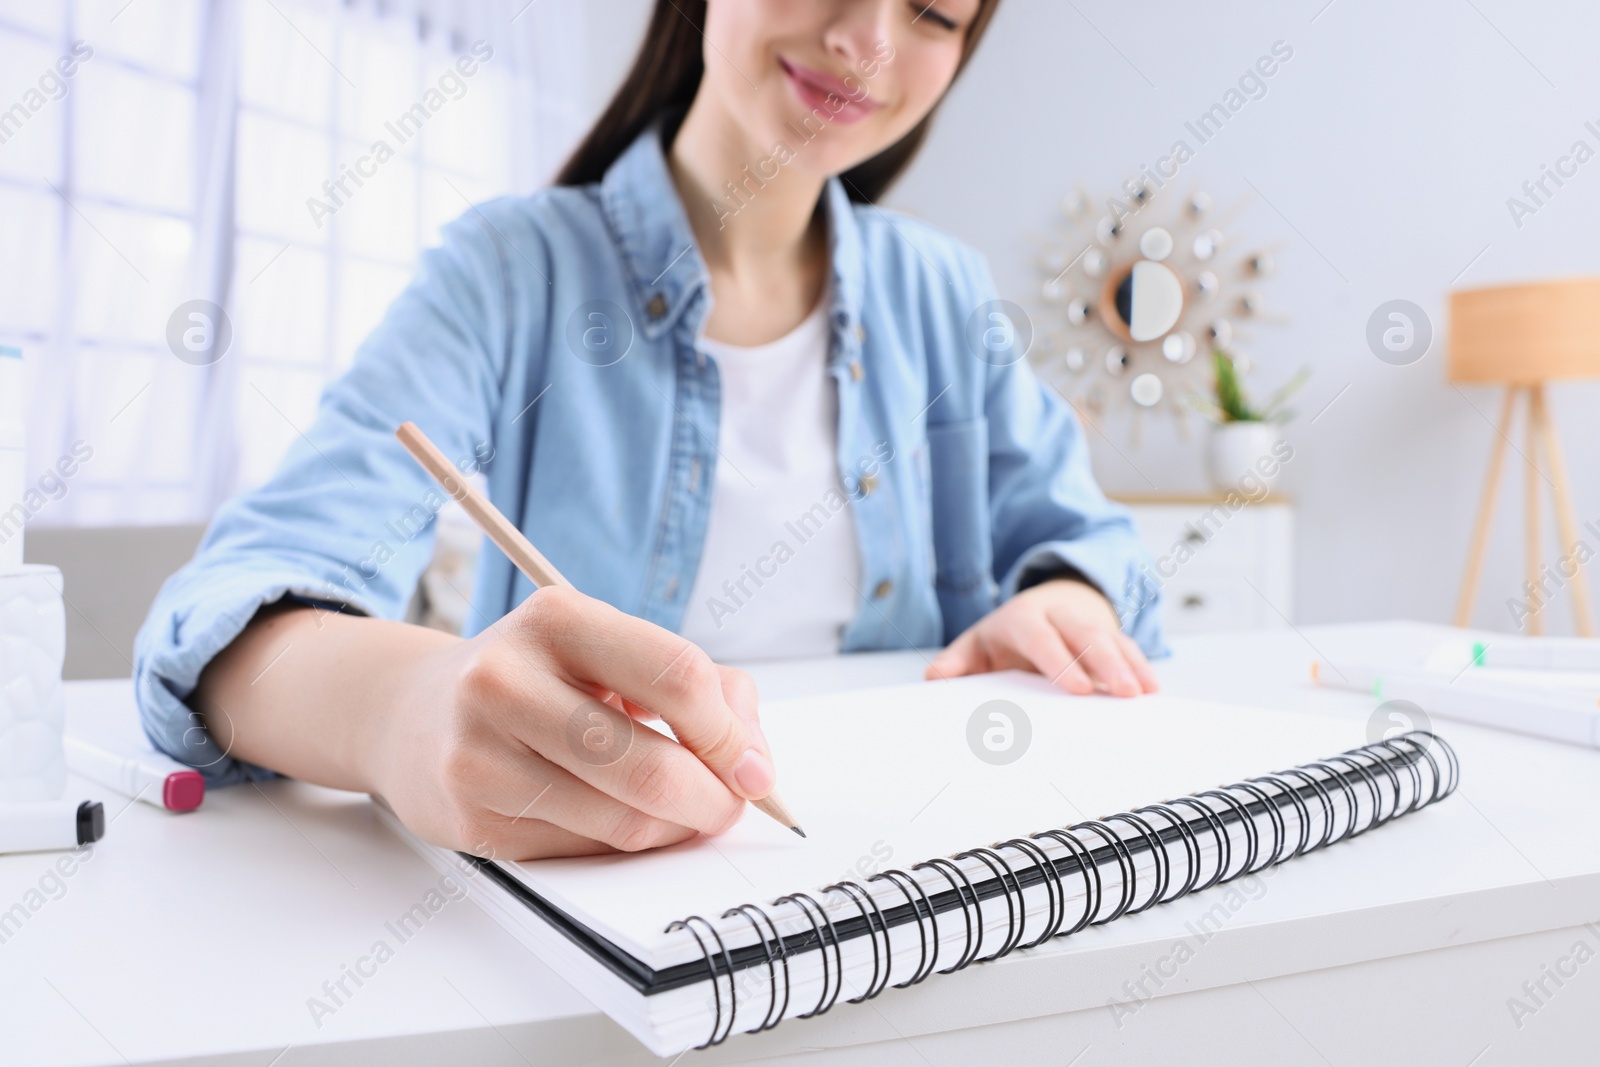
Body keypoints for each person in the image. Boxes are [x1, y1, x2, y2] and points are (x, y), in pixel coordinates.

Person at [135, 0, 1164, 862]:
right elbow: (223, 626)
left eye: (936, 9)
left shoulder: (942, 293)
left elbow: (1097, 550)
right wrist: (405, 710)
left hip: (902, 877)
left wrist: (1061, 598)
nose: (869, 41)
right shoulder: (507, 272)